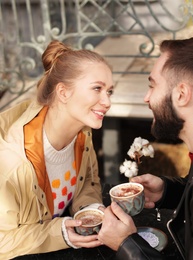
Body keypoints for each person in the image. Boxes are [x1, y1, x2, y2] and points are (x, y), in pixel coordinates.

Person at [98, 37, 193, 260]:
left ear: (181, 94)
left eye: (152, 85)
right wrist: (168, 191)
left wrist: (127, 244)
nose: (147, 97)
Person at [0, 40, 114, 259]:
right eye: (97, 89)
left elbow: (87, 182)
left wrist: (89, 209)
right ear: (63, 92)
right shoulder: (10, 162)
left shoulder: (83, 133)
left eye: (109, 91)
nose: (107, 101)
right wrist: (61, 233)